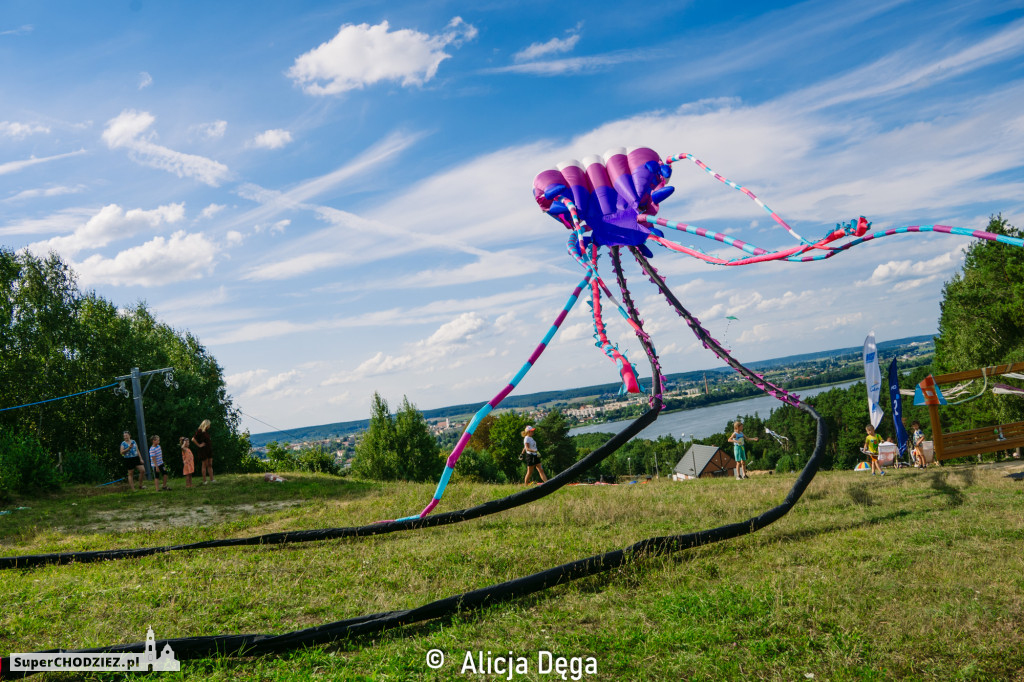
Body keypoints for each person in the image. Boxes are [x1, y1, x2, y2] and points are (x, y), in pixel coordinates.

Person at [191, 419, 214, 485]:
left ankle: (212, 479)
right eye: (209, 424)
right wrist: (199, 445)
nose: (209, 426)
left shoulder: (206, 432)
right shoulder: (200, 431)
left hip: (209, 449)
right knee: (204, 465)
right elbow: (193, 439)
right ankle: (204, 481)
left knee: (210, 464)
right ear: (206, 424)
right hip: (203, 450)